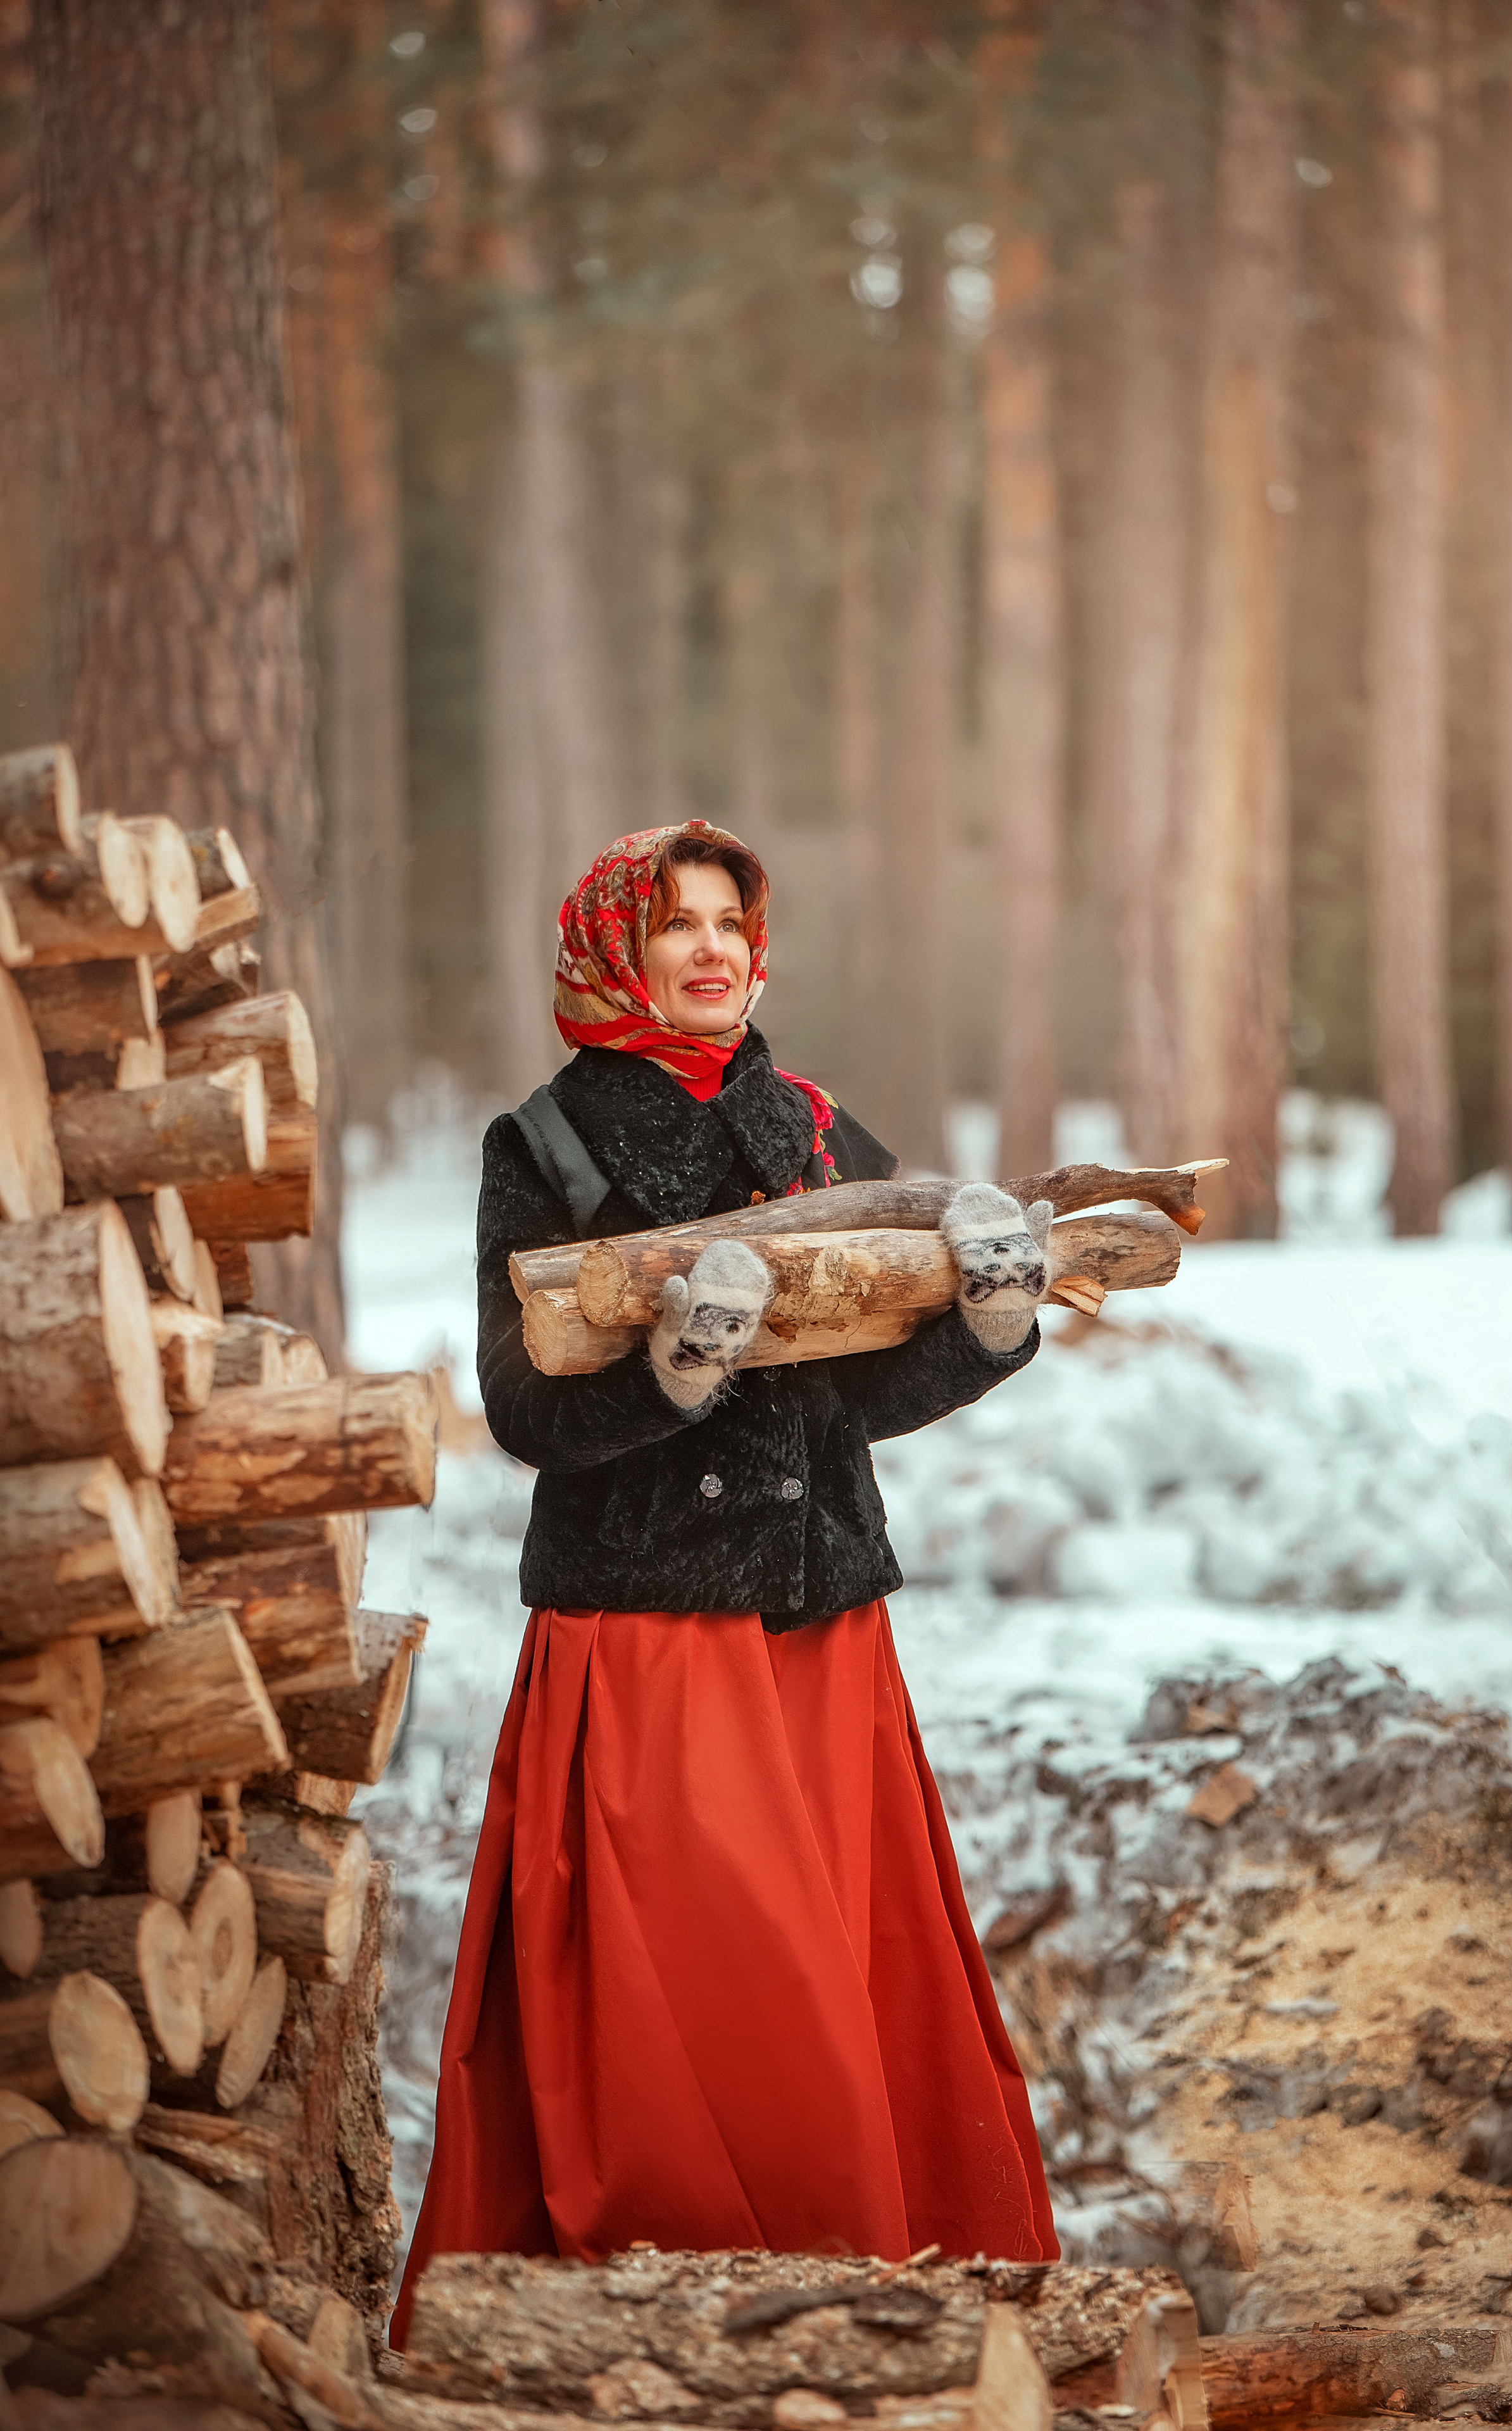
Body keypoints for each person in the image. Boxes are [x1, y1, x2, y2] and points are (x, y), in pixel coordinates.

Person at [392, 820, 1059, 2346]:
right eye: (671, 925)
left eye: (727, 924)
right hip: (649, 1645)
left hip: (820, 1629)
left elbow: (857, 1398)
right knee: (702, 2001)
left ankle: (882, 2305)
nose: (707, 950)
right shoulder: (547, 1146)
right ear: (614, 954)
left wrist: (987, 1330)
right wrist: (675, 1371)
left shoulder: (818, 1127)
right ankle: (671, 2318)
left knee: (847, 1974)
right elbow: (524, 1408)